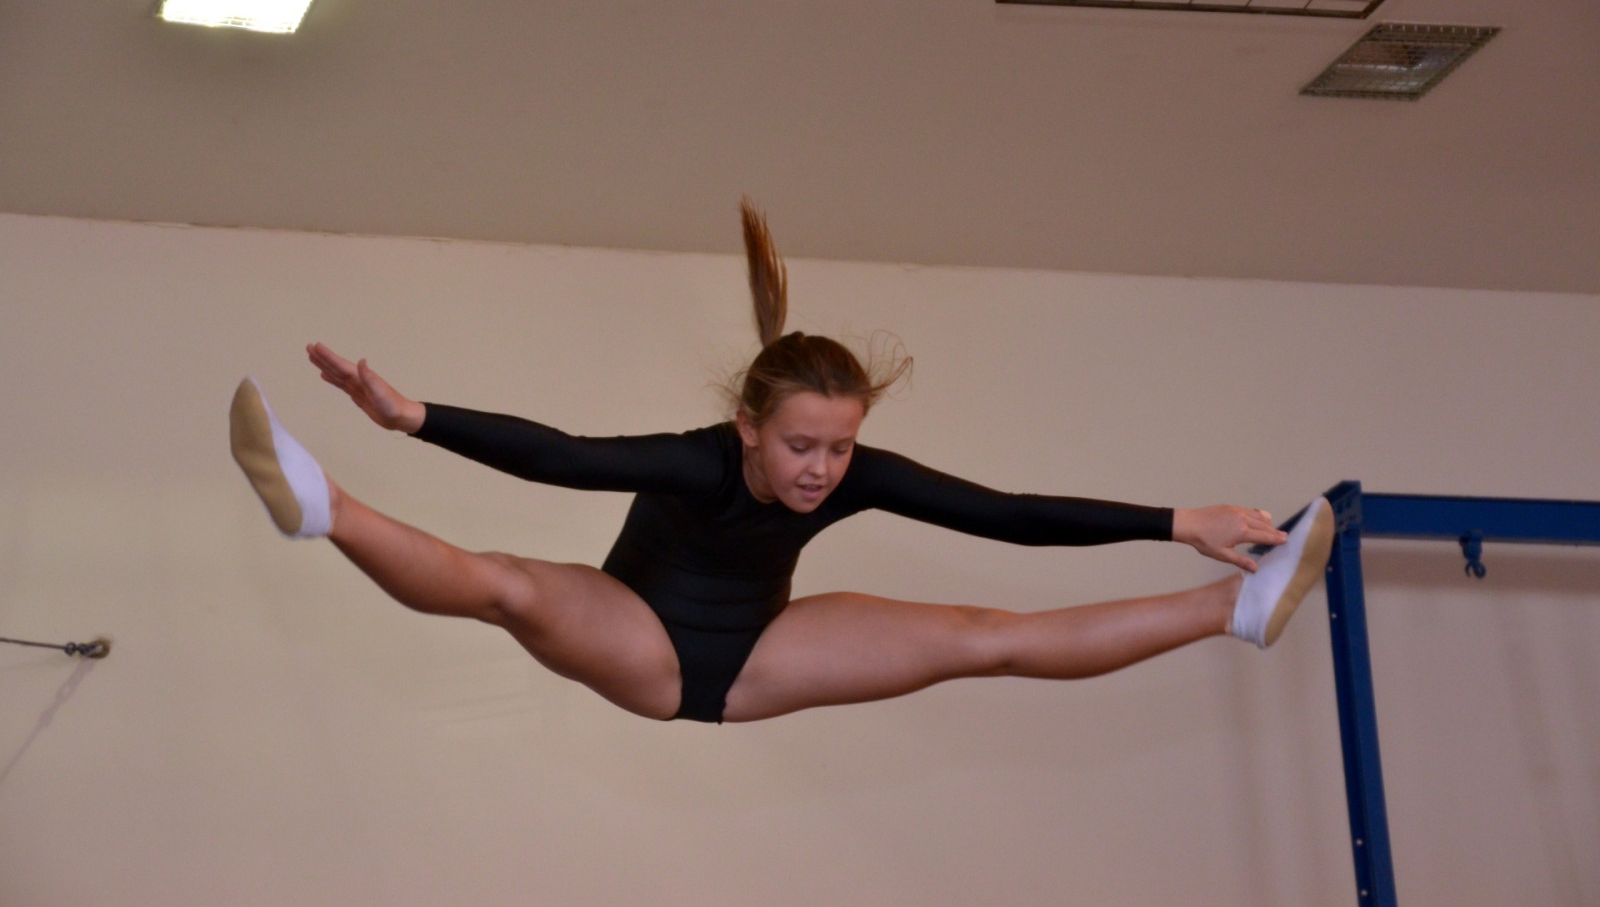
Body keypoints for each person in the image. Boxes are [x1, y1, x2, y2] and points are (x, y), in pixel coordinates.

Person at [229, 201, 1335, 724]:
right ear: (750, 427)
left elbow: (1003, 513)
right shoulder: (697, 462)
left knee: (984, 637)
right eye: (802, 446)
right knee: (508, 585)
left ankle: (1233, 610)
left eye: (841, 447)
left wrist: (1178, 520)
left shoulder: (853, 473)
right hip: (643, 643)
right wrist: (412, 416)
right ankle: (329, 507)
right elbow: (560, 457)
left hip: (763, 655)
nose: (823, 470)